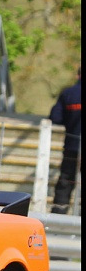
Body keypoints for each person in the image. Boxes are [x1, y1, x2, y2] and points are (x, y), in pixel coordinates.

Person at [49, 66, 81, 214]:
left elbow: (56, 117)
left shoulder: (68, 94)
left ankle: (59, 213)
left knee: (66, 179)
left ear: (77, 76)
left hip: (72, 146)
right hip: (72, 145)